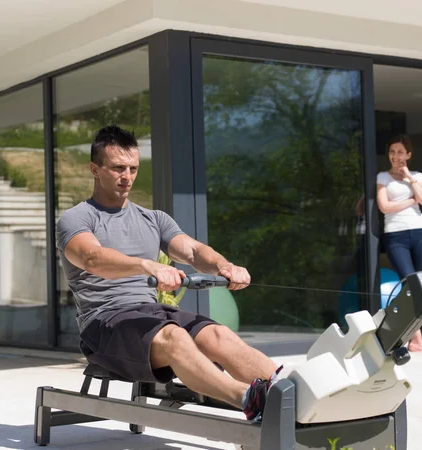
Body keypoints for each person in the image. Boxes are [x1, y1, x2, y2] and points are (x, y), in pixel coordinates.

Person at [56, 124, 281, 421]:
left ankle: (291, 391)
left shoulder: (153, 219)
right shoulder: (76, 219)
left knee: (216, 333)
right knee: (174, 337)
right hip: (104, 325)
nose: (127, 177)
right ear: (94, 169)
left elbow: (193, 251)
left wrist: (224, 266)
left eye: (133, 168)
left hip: (152, 313)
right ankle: (248, 400)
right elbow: (93, 258)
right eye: (117, 168)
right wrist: (145, 264)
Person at [376, 134, 422, 352]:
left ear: (408, 154)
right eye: (392, 151)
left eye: (400, 152)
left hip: (420, 233)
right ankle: (415, 334)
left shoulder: (417, 175)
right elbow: (384, 207)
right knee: (409, 284)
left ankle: (415, 333)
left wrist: (408, 176)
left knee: (421, 283)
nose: (395, 156)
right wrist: (411, 200)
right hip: (395, 234)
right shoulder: (383, 177)